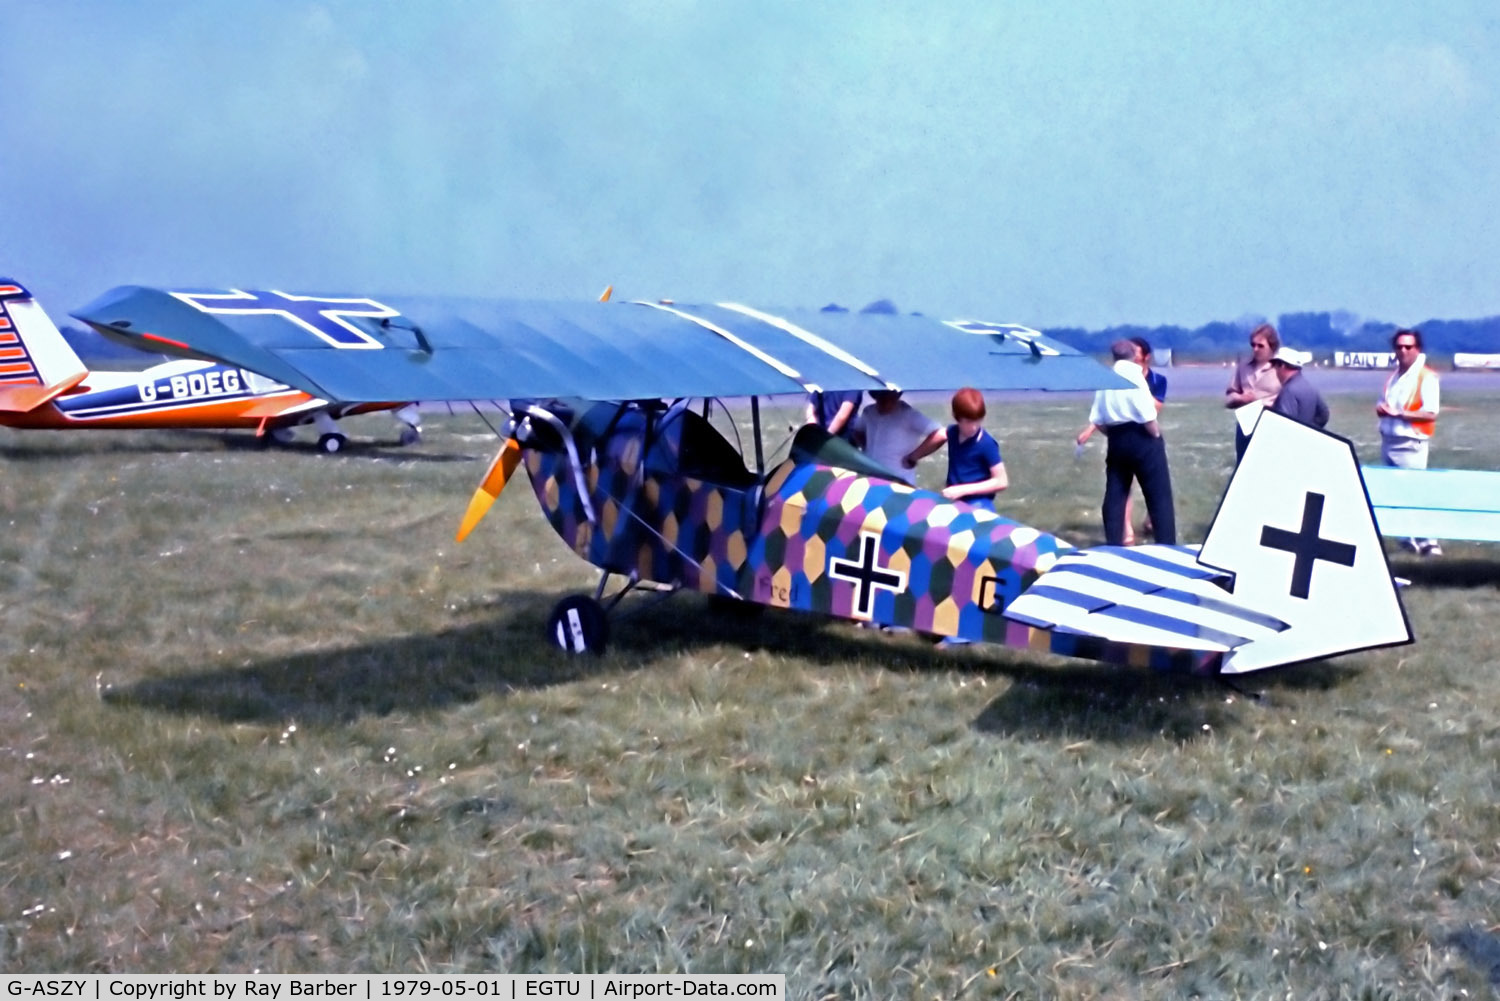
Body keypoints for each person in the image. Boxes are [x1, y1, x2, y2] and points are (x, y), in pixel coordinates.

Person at [1076, 340, 1175, 546]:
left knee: (1115, 493)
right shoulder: (1135, 376)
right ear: (1133, 356)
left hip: (1116, 439)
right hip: (1141, 438)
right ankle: (1166, 545)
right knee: (1158, 497)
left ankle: (1113, 543)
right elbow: (1148, 415)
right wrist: (1155, 435)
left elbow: (1098, 419)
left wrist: (1115, 435)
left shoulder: (1105, 378)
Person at [1377, 327, 1442, 556]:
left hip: (1411, 442)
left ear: (1417, 349)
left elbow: (1431, 413)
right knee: (1394, 493)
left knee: (1415, 492)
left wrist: (1399, 414)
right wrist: (1383, 411)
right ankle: (1407, 538)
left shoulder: (1426, 377)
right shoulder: (1393, 377)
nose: (1403, 351)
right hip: (1389, 440)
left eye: (1408, 347)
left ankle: (1429, 542)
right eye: (1399, 346)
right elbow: (1385, 404)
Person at [907, 387, 1008, 511]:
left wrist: (962, 490)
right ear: (956, 417)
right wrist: (913, 457)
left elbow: (1002, 481)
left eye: (978, 421)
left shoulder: (986, 444)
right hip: (954, 498)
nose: (974, 427)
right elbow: (940, 436)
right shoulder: (953, 432)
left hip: (979, 502)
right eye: (968, 422)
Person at [858, 390, 945, 486]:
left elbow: (941, 434)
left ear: (895, 398)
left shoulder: (909, 414)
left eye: (888, 399)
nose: (884, 403)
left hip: (899, 481)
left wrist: (913, 456)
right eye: (881, 399)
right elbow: (858, 431)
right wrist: (866, 449)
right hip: (871, 477)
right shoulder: (869, 411)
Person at [1226, 322, 1281, 460]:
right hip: (1245, 426)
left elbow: (1289, 397)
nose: (1255, 349)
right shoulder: (1243, 367)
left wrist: (1263, 402)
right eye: (1253, 345)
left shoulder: (1280, 368)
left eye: (1260, 346)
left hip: (1271, 425)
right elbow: (1230, 395)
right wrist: (1240, 398)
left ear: (1272, 346)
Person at [1267, 346, 1329, 428]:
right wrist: (1310, 430)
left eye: (1275, 365)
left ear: (1282, 365)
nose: (1275, 370)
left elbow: (1281, 425)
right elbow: (1324, 415)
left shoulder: (1288, 391)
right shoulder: (1310, 387)